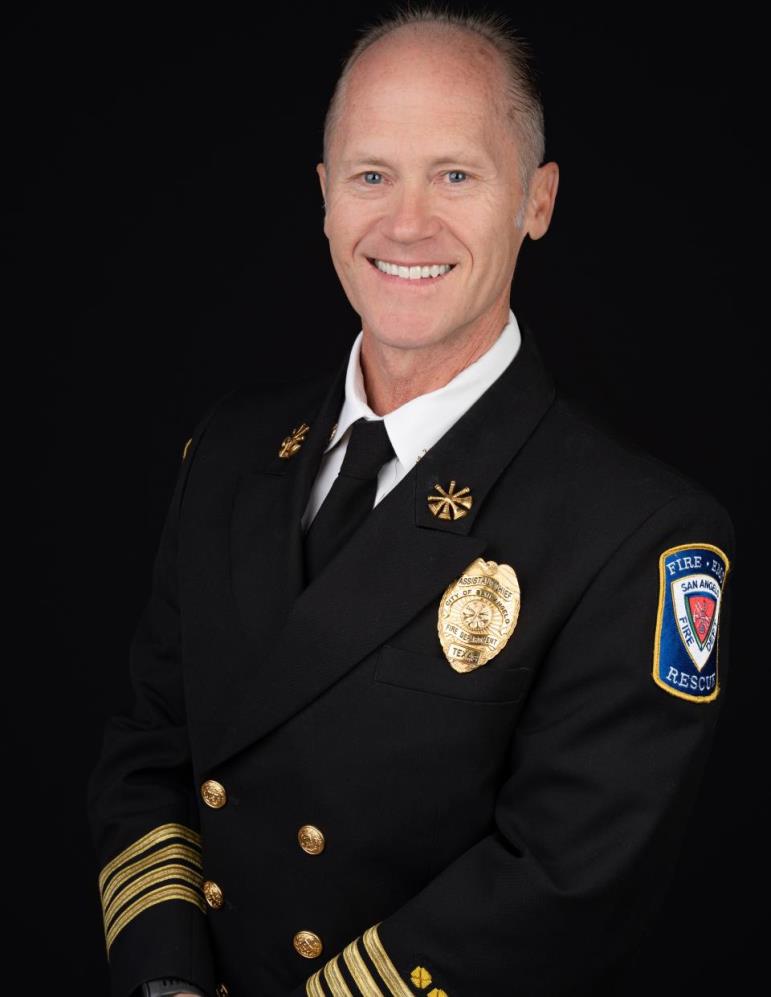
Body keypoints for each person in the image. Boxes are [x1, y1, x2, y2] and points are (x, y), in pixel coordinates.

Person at [86, 5, 736, 997]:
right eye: (372, 174)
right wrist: (167, 976)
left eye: (457, 175)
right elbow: (149, 745)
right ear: (325, 198)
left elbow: (562, 884)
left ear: (538, 200)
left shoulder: (637, 536)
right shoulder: (226, 455)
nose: (406, 223)